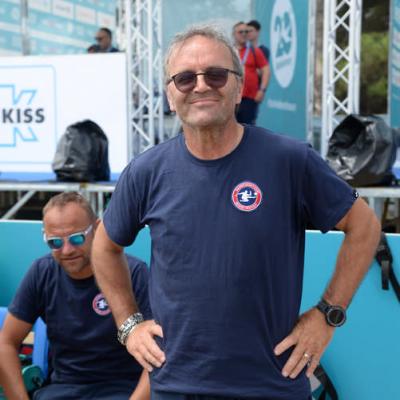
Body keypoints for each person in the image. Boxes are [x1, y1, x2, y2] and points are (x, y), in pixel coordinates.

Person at [91, 25, 381, 400]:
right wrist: (129, 325)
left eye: (215, 74)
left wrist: (328, 314)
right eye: (185, 78)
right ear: (170, 94)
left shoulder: (289, 160)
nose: (201, 86)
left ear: (239, 86)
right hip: (176, 387)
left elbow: (364, 225)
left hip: (273, 386)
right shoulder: (146, 172)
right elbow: (104, 247)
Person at [0, 192, 151, 400]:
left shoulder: (133, 273)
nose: (67, 250)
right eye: (55, 242)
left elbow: (161, 349)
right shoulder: (42, 273)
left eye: (76, 238)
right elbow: (6, 342)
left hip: (122, 390)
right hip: (62, 390)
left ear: (97, 229)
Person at [233, 21, 270, 125]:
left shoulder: (254, 51)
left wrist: (262, 90)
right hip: (232, 97)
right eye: (241, 32)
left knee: (248, 128)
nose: (244, 34)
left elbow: (266, 70)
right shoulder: (229, 51)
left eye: (246, 32)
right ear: (234, 34)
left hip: (249, 98)